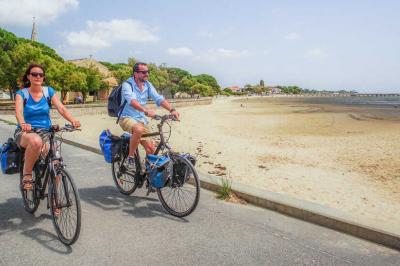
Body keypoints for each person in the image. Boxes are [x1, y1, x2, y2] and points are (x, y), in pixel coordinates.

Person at [15, 64, 81, 191]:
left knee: (55, 164)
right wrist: (23, 124)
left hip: (45, 132)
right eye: (34, 74)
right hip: (25, 132)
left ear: (43, 78)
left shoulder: (48, 92)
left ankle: (56, 203)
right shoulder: (21, 94)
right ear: (29, 76)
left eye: (41, 74)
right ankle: (27, 174)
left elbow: (61, 108)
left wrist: (73, 120)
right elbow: (18, 111)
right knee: (35, 141)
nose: (38, 76)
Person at [119, 62, 179, 168]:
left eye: (148, 72)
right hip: (127, 117)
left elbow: (158, 98)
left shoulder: (147, 85)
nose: (147, 74)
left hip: (141, 119)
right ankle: (130, 157)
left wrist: (172, 110)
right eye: (143, 72)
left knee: (151, 149)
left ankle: (147, 175)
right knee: (138, 130)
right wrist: (146, 111)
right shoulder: (127, 85)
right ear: (135, 74)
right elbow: (132, 101)